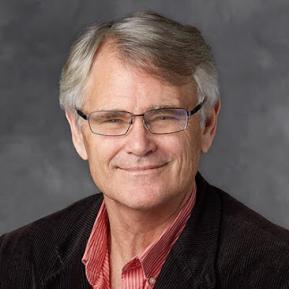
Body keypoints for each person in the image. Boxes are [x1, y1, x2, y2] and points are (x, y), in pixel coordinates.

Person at [0, 10, 289, 289]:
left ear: (207, 124)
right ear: (78, 131)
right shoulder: (15, 260)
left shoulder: (276, 270)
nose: (139, 145)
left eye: (164, 116)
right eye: (112, 119)